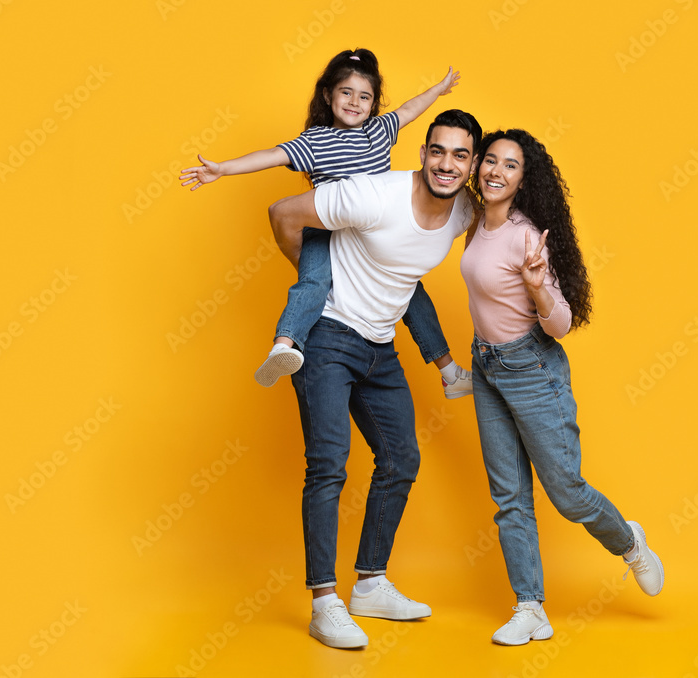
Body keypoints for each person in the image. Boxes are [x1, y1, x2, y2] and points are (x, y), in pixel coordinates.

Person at [268, 110, 482, 649]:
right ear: (423, 153)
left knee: (400, 459)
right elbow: (283, 213)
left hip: (380, 348)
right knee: (329, 465)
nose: (447, 164)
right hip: (328, 339)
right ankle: (324, 602)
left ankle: (370, 583)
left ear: (473, 164)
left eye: (460, 155)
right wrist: (317, 279)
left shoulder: (464, 211)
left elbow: (499, 233)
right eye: (438, 150)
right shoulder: (372, 195)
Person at [460, 129, 664, 646]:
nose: (496, 172)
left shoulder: (527, 237)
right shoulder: (475, 220)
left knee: (567, 495)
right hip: (486, 367)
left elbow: (561, 325)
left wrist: (535, 284)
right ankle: (530, 608)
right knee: (509, 497)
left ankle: (630, 543)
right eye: (490, 161)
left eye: (510, 166)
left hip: (532, 369)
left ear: (524, 179)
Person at [179, 49, 473, 397]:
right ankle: (285, 345)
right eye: (346, 92)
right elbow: (272, 155)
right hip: (327, 231)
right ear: (328, 95)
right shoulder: (316, 142)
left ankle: (449, 373)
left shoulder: (379, 130)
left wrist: (438, 90)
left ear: (374, 103)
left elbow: (409, 109)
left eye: (364, 96)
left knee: (412, 290)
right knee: (314, 281)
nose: (354, 102)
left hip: (374, 235)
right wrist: (223, 168)